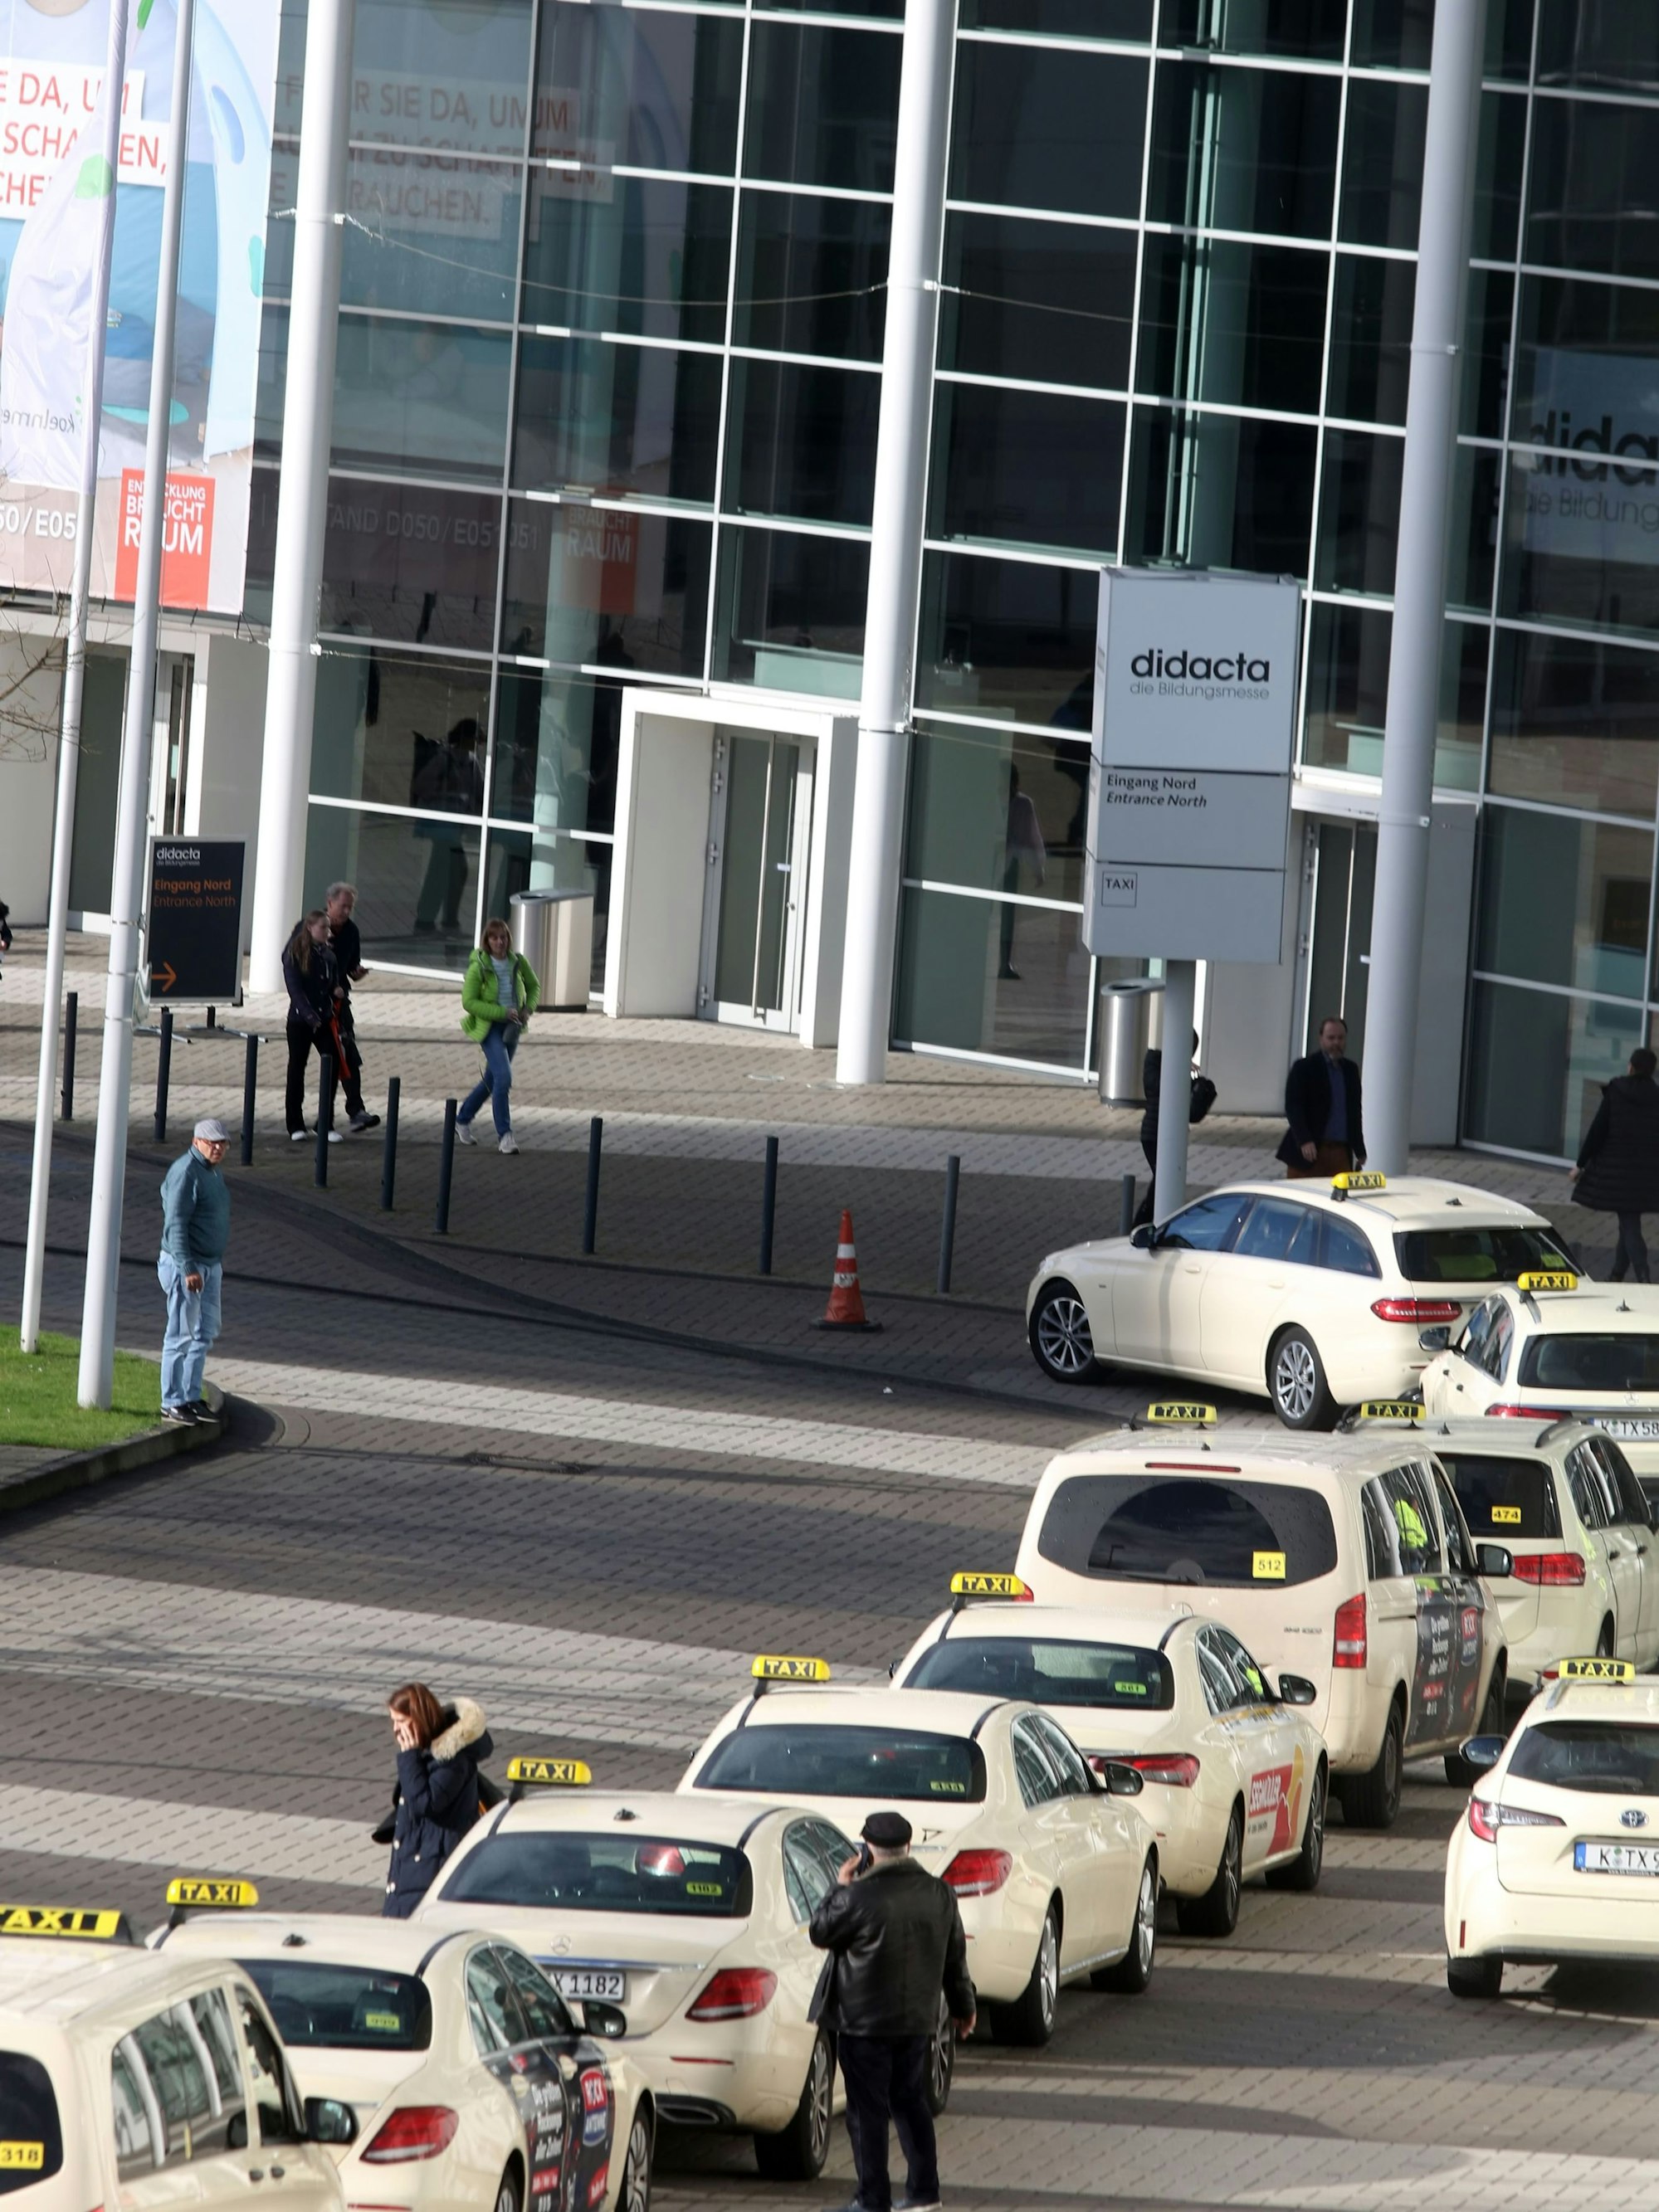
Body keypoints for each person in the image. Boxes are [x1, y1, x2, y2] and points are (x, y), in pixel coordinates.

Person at [808, 1810, 976, 2212]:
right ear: (908, 1846)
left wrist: (839, 1886)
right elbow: (955, 1958)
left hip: (863, 2025)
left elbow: (820, 1930)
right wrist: (963, 2006)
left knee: (867, 2113)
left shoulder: (856, 1897)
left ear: (867, 1849)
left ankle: (872, 2199)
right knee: (911, 2103)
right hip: (917, 2021)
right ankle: (924, 2194)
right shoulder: (940, 1894)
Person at [380, 1683, 495, 1919]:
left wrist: (409, 1757)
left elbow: (425, 1803)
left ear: (419, 1720)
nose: (396, 1729)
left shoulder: (452, 1760)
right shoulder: (424, 1755)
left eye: (401, 1721)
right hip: (413, 1871)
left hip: (430, 1872)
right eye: (393, 1721)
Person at [158, 1118, 230, 1427]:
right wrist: (187, 1267)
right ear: (196, 1141)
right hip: (187, 1267)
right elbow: (175, 1224)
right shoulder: (186, 1172)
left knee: (205, 1332)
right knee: (180, 1335)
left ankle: (189, 1395)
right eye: (211, 1142)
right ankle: (171, 1401)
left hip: (210, 1265)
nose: (217, 1147)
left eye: (222, 1143)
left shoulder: (212, 1172)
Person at [1571, 1046, 1659, 1284]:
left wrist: (1580, 1164)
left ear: (1631, 1067)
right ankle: (1617, 1273)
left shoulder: (1617, 1091)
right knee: (1628, 1220)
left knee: (1629, 1224)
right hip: (1647, 1174)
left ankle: (1643, 1276)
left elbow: (1598, 1130)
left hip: (1617, 1174)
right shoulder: (1656, 1096)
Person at [456, 916, 539, 1156]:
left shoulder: (518, 962)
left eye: (503, 937)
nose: (499, 942)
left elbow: (534, 986)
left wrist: (528, 1009)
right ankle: (505, 1135)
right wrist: (501, 1012)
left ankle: (462, 1119)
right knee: (504, 1078)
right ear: (487, 941)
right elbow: (469, 1002)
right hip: (490, 1028)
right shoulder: (479, 967)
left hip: (512, 1028)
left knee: (493, 1080)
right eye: (494, 938)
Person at [1134, 1030, 1217, 1227]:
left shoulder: (1179, 1072)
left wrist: (1198, 1085)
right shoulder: (1155, 1061)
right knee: (1162, 1182)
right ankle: (1142, 1225)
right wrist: (1179, 1069)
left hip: (1174, 1136)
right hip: (1153, 1134)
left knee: (1163, 1182)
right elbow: (1158, 1087)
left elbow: (1192, 1113)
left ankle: (1150, 1224)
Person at [412, 718, 485, 933]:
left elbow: (480, 791)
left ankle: (436, 917)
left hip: (454, 825)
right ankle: (434, 918)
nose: (477, 743)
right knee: (450, 869)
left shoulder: (471, 762)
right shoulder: (444, 758)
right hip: (441, 824)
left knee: (449, 870)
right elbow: (420, 785)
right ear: (466, 737)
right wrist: (443, 786)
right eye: (475, 738)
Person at [1277, 1016, 1365, 1181]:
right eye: (1331, 1038)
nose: (1336, 1043)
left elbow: (1354, 1112)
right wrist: (1304, 1140)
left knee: (1341, 1194)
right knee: (1302, 1192)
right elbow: (1293, 1107)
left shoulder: (1350, 1070)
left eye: (1340, 1038)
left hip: (1340, 1152)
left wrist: (1359, 1150)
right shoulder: (1304, 1068)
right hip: (1310, 1152)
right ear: (1321, 1039)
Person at [282, 910, 344, 1143]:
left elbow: (331, 983)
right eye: (323, 927)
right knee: (297, 1068)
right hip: (300, 1022)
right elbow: (295, 991)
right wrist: (309, 1016)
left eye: (328, 927)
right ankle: (295, 1124)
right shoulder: (295, 954)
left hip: (324, 1019)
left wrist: (336, 990)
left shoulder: (328, 955)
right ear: (310, 928)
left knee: (332, 1063)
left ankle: (325, 1122)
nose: (327, 932)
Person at [324, 880, 380, 1134]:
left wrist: (357, 973)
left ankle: (356, 1111)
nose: (347, 912)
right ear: (330, 903)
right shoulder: (314, 927)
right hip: (315, 1005)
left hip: (340, 1003)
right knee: (322, 1061)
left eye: (350, 907)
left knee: (349, 1055)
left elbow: (350, 966)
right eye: (343, 906)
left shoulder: (351, 931)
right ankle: (311, 1120)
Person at [998, 766, 1047, 982]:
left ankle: (1005, 962)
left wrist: (1038, 869)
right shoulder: (990, 799)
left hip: (1009, 864)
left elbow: (1032, 837)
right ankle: (1002, 962)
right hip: (994, 861)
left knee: (1007, 915)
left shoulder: (1023, 804)